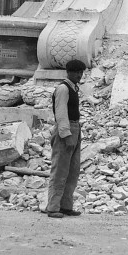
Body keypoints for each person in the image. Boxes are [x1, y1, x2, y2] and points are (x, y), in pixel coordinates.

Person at [46, 59, 87, 219]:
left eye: (81, 72)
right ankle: (53, 207)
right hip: (67, 130)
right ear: (69, 72)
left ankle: (66, 206)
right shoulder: (63, 89)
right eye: (77, 72)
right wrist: (66, 134)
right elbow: (61, 113)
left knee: (72, 171)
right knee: (60, 171)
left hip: (75, 129)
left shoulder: (74, 88)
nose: (79, 75)